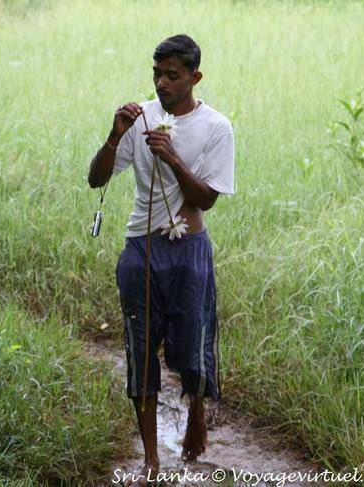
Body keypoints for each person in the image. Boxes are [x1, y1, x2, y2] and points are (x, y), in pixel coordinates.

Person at [87, 34, 234, 485]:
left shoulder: (216, 127)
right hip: (141, 249)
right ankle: (151, 459)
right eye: (157, 74)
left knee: (193, 348)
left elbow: (206, 200)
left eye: (172, 75)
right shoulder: (139, 119)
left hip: (189, 251)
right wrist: (114, 136)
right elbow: (96, 179)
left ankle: (196, 411)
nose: (162, 83)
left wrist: (171, 158)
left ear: (195, 77)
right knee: (140, 350)